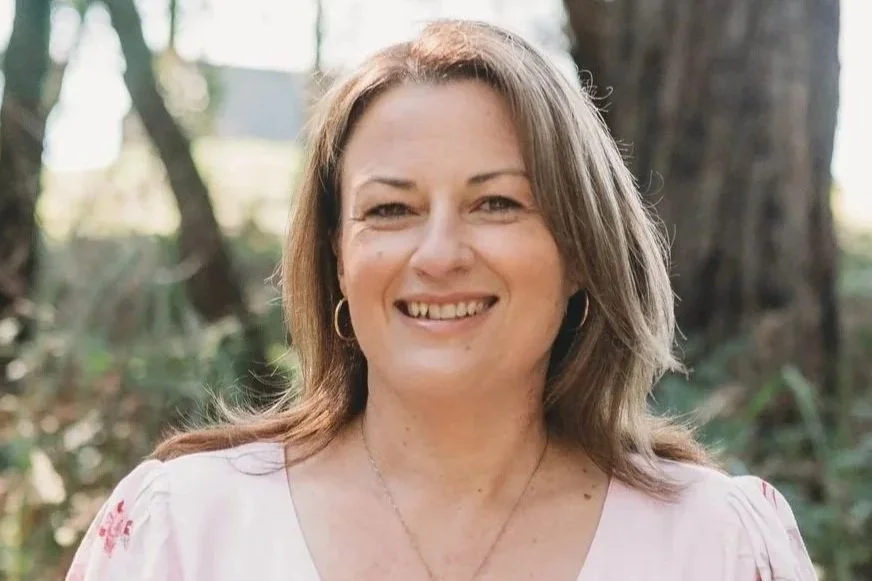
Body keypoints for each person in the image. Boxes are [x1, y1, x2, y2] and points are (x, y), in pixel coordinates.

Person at [66, 19, 817, 581]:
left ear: (582, 251)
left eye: (497, 203)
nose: (438, 254)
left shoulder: (714, 545)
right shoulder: (184, 533)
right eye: (390, 210)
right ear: (337, 258)